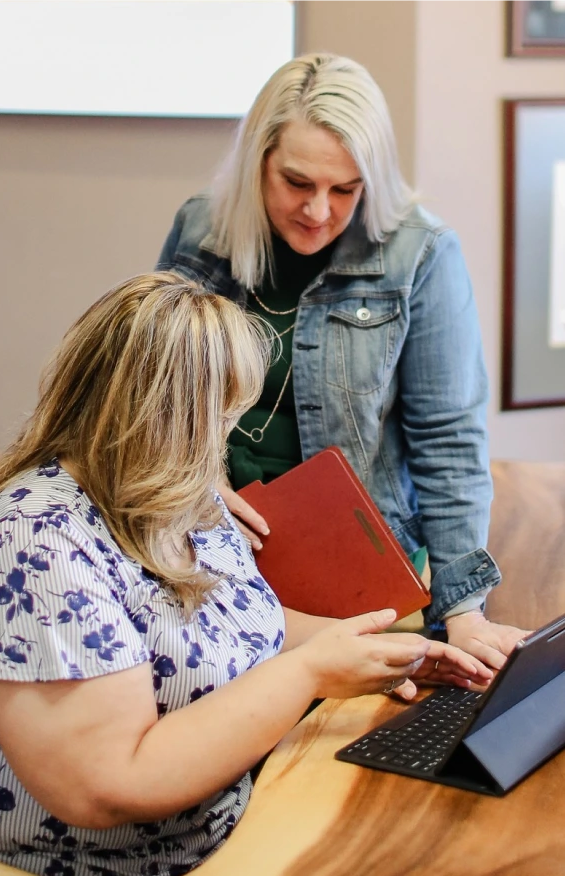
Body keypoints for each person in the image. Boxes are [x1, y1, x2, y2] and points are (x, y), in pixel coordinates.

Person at [0, 272, 491, 876]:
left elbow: (246, 624)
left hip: (234, 836)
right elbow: (109, 785)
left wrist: (389, 649)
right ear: (157, 416)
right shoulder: (34, 540)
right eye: (221, 414)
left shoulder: (184, 499)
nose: (230, 436)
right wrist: (311, 676)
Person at [156, 52, 528, 670]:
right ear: (258, 164)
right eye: (297, 183)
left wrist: (462, 608)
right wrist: (205, 481)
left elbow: (448, 438)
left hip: (349, 567)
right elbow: (154, 388)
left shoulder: (421, 254)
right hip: (205, 549)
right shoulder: (202, 229)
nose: (319, 210)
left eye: (346, 189)